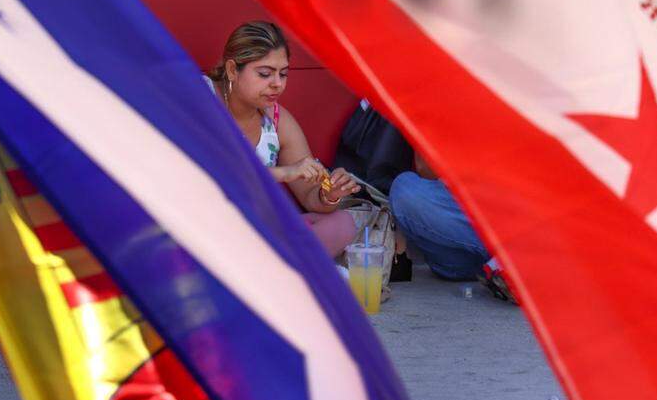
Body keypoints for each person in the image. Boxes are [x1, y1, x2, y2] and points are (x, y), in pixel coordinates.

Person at [206, 21, 360, 258]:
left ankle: (265, 267)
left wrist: (330, 193)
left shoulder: (277, 120)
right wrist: (284, 173)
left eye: (283, 74)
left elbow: (311, 195)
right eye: (265, 74)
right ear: (232, 70)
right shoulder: (200, 99)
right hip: (202, 228)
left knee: (342, 224)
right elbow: (213, 175)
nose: (277, 84)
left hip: (258, 232)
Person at [389, 152, 515, 302]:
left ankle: (513, 263)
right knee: (405, 188)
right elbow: (425, 170)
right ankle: (516, 262)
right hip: (459, 231)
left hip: (514, 216)